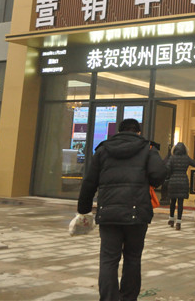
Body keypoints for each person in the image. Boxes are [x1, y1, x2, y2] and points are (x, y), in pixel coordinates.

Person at [77, 118, 168, 301]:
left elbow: (89, 181)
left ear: (118, 132)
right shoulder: (148, 149)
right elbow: (159, 174)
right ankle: (128, 297)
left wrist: (83, 209)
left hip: (108, 213)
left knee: (108, 259)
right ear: (138, 132)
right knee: (133, 258)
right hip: (137, 212)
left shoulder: (103, 150)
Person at [164, 142, 195, 230]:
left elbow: (167, 169)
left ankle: (171, 219)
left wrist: (168, 176)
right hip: (183, 182)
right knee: (180, 203)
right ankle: (178, 222)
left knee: (172, 202)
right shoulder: (186, 158)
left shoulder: (172, 158)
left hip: (173, 181)